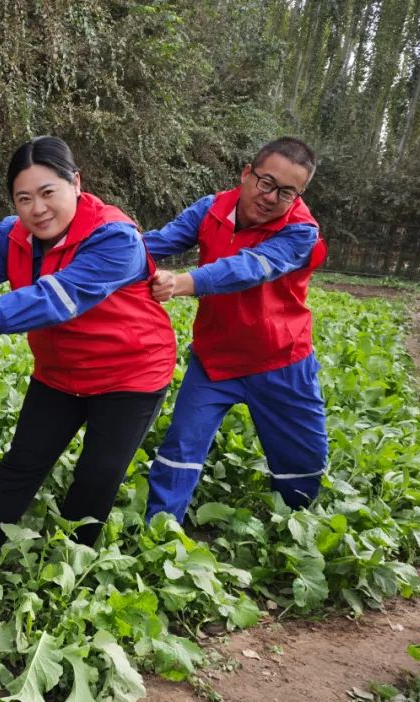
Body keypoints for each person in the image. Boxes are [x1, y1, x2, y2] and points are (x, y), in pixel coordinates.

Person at [0, 136, 177, 560]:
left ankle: (72, 562)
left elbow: (56, 298)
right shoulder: (13, 235)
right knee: (23, 460)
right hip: (60, 373)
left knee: (97, 475)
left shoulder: (116, 238)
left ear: (76, 183)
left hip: (130, 375)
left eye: (48, 193)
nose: (37, 209)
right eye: (23, 198)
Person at [145, 137, 329, 523]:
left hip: (282, 361)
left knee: (302, 466)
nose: (270, 197)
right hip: (215, 360)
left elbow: (250, 268)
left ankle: (294, 529)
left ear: (298, 196)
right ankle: (159, 531)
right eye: (266, 182)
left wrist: (180, 283)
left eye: (286, 192)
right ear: (247, 173)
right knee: (180, 449)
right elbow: (157, 242)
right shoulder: (211, 208)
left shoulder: (301, 231)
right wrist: (100, 249)